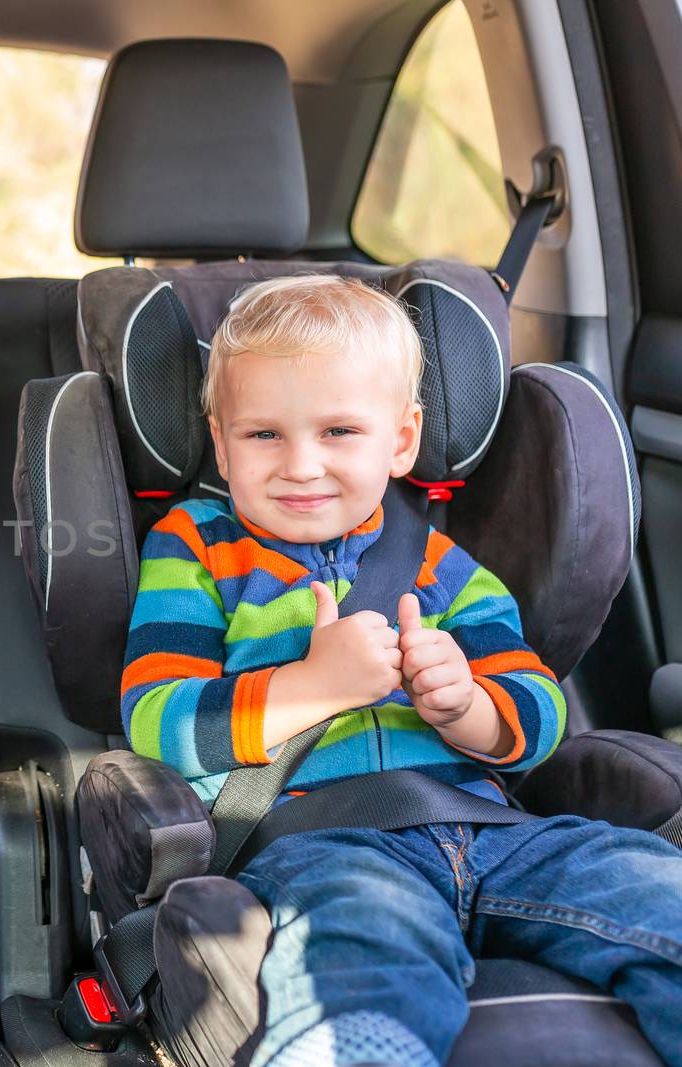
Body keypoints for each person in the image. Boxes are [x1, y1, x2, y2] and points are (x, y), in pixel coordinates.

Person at [123, 274, 682, 1067]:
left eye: (340, 431)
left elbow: (539, 705)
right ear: (220, 441)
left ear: (402, 439)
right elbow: (160, 715)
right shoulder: (196, 548)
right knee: (364, 950)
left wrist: (467, 706)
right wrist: (312, 688)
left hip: (500, 834)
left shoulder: (443, 566)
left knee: (647, 886)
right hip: (328, 840)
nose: (302, 465)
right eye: (263, 436)